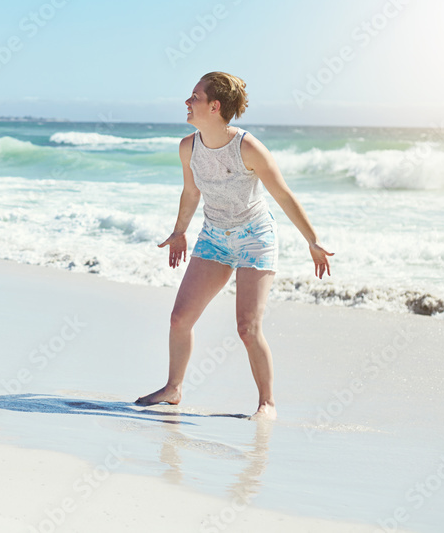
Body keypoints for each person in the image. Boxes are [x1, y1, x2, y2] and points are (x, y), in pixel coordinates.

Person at [136, 71, 333, 419]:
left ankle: (267, 403)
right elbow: (191, 192)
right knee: (180, 318)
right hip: (213, 237)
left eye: (194, 96)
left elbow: (282, 194)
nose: (187, 101)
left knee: (247, 326)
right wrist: (180, 231)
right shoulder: (188, 147)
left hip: (255, 238)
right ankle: (173, 388)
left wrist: (313, 240)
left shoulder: (247, 147)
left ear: (214, 106)